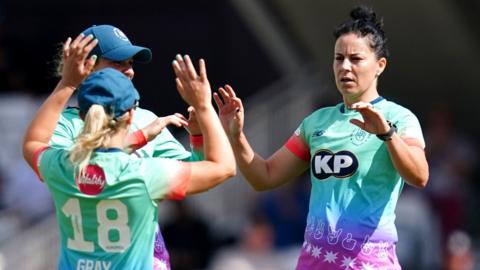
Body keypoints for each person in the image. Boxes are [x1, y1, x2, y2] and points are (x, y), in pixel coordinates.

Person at [214, 6, 429, 269]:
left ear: (379, 65)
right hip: (316, 262)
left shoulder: (399, 119)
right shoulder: (316, 122)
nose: (345, 67)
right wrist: (236, 137)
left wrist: (387, 134)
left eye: (356, 58)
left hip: (369, 264)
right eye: (339, 58)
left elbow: (419, 176)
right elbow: (265, 176)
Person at [22, 34, 235, 269]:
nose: (129, 71)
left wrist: (67, 83)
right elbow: (218, 169)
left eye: (130, 63)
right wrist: (205, 107)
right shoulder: (145, 173)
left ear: (86, 116)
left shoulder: (63, 165)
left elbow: (36, 144)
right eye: (117, 63)